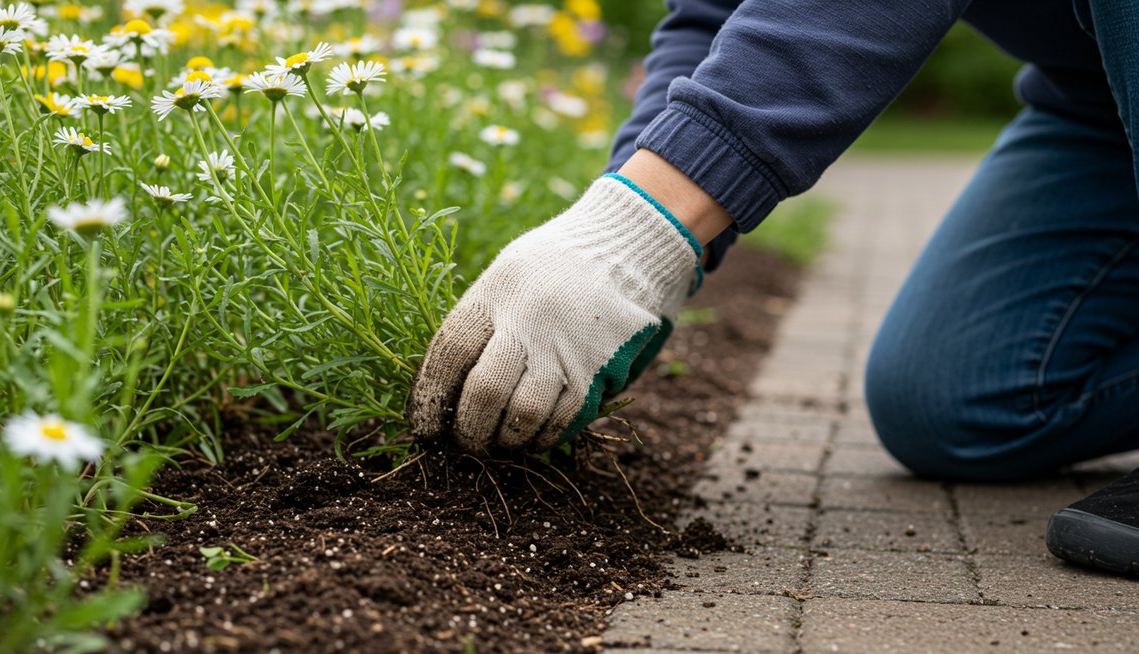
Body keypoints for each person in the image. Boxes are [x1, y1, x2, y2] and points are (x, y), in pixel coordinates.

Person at [409, 0, 1139, 577]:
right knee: (961, 403)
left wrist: (637, 238)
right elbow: (714, 18)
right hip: (1102, 103)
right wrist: (634, 246)